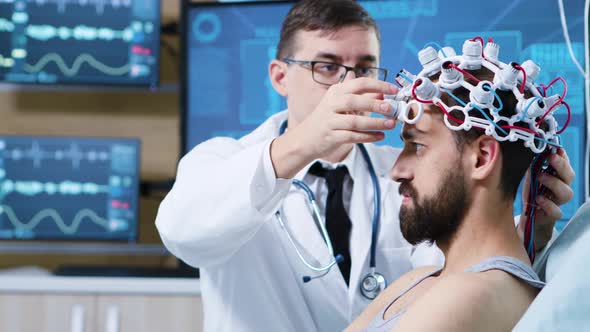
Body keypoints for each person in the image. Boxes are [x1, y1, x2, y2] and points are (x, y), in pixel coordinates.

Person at [155, 1, 574, 331]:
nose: (348, 84)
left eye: (364, 68)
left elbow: (462, 258)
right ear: (280, 77)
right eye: (327, 67)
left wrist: (528, 234)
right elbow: (183, 233)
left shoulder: (406, 173)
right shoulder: (222, 163)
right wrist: (304, 141)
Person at [346, 56, 570, 331]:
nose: (396, 171)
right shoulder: (419, 280)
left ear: (482, 158)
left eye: (417, 146)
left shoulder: (474, 295)